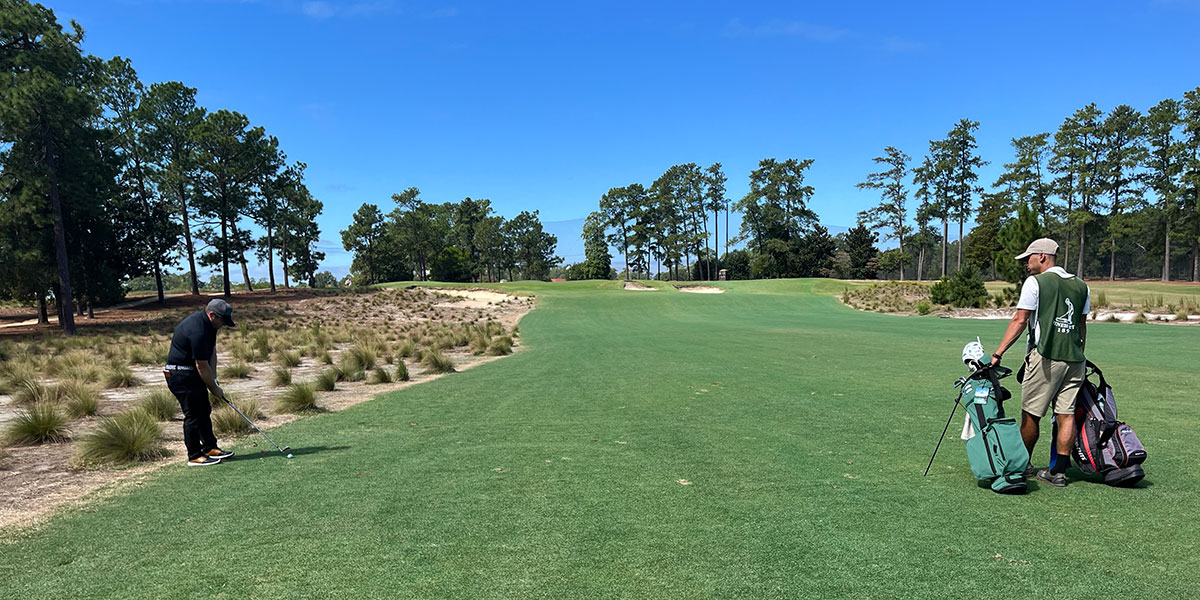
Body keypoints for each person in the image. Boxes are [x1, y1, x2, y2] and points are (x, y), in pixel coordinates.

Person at [989, 238, 1089, 487]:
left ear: (1042, 256)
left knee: (1031, 415)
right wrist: (1079, 352)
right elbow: (1081, 325)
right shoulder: (1081, 285)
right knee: (1065, 415)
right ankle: (1059, 472)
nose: (1026, 263)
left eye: (1028, 258)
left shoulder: (1035, 283)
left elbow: (1020, 320)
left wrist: (998, 353)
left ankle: (1021, 466)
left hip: (1045, 357)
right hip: (1075, 359)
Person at [164, 298, 237, 466]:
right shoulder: (198, 330)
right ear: (211, 315)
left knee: (204, 410)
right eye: (222, 321)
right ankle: (194, 456)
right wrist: (213, 387)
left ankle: (210, 448)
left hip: (192, 374)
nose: (223, 325)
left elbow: (211, 354)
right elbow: (201, 364)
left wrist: (215, 381)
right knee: (194, 415)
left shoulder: (210, 325)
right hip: (180, 375)